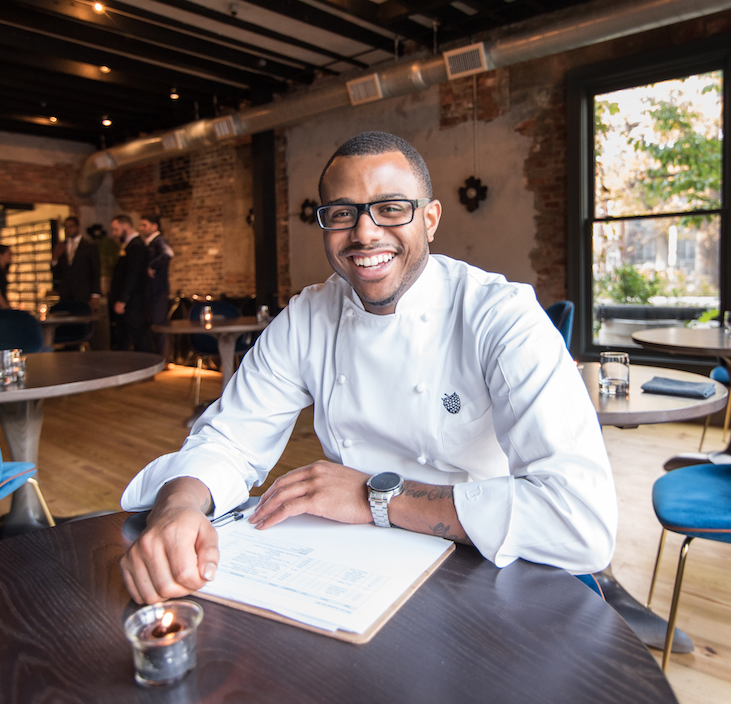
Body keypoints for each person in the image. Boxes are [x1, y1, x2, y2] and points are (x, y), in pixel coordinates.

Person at [119, 131, 618, 607]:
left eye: (391, 209)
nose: (364, 232)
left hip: (487, 564)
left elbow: (579, 520)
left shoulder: (500, 315)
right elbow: (229, 440)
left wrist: (375, 496)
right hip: (353, 565)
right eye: (342, 213)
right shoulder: (307, 318)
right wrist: (178, 509)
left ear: (430, 219)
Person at [109, 214, 152, 352]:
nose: (114, 233)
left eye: (116, 229)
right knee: (124, 335)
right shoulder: (128, 246)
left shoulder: (137, 246)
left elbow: (132, 276)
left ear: (125, 226)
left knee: (138, 334)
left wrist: (123, 299)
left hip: (134, 301)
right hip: (129, 300)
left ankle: (146, 367)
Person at [139, 214, 174, 358]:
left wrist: (152, 266)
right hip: (151, 290)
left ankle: (163, 359)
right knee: (153, 324)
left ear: (154, 226)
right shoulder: (149, 242)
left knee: (159, 324)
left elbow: (168, 253)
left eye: (144, 225)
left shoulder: (159, 240)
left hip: (158, 290)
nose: (141, 229)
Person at [51, 216, 101, 307]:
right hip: (66, 293)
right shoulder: (62, 246)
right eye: (66, 227)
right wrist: (54, 258)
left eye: (71, 226)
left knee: (84, 317)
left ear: (78, 227)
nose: (68, 229)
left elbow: (95, 271)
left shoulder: (89, 246)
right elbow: (57, 271)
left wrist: (95, 294)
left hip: (83, 292)